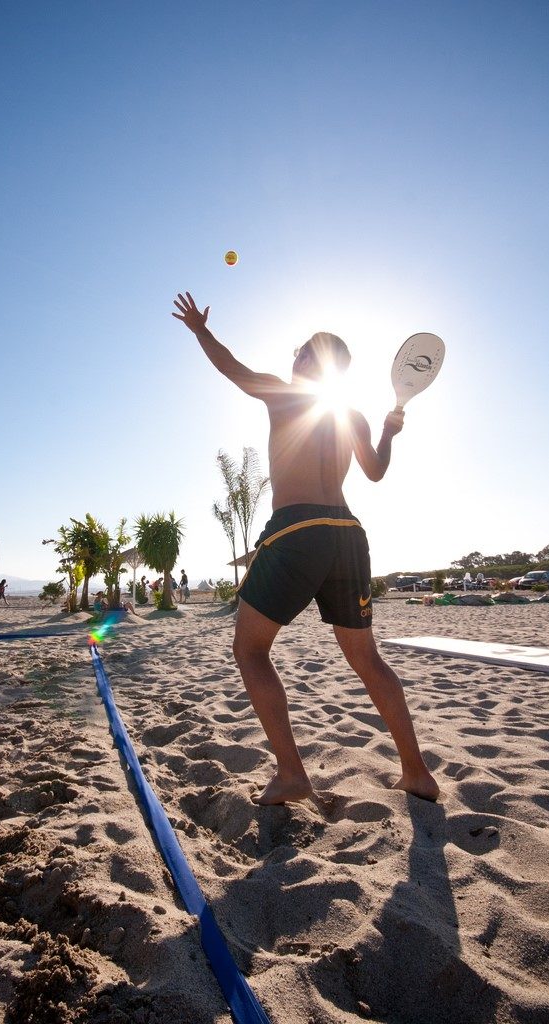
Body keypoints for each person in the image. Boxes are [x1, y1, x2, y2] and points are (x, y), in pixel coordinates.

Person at [173, 291, 439, 805]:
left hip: (297, 530)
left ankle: (293, 775)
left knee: (249, 650)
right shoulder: (354, 415)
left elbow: (233, 369)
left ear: (306, 362)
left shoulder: (286, 393)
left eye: (299, 352)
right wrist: (388, 432)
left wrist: (200, 330)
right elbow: (376, 472)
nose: (292, 358)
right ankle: (416, 771)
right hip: (348, 534)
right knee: (367, 660)